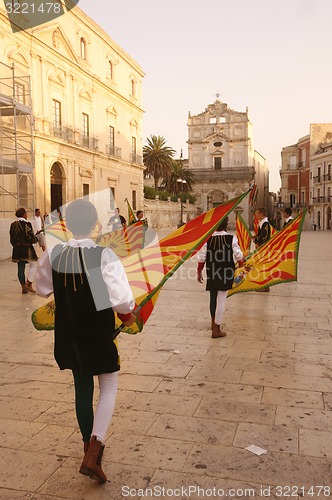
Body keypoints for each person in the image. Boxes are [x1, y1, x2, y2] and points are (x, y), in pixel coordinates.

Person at [36, 199, 136, 483]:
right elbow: (121, 300)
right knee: (109, 386)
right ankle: (94, 451)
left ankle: (85, 446)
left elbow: (42, 289)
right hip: (98, 330)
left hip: (70, 331)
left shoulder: (54, 254)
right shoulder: (104, 255)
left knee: (82, 386)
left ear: (66, 226)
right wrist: (129, 317)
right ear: (97, 226)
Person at [197, 217, 243, 338]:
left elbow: (202, 257)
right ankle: (216, 329)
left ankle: (213, 323)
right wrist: (242, 265)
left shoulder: (208, 239)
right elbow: (239, 255)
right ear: (226, 225)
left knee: (213, 297)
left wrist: (199, 271)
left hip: (212, 270)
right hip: (226, 271)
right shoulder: (231, 238)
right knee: (221, 299)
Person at [9, 207, 38, 294]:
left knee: (20, 268)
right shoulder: (27, 224)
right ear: (24, 214)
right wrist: (35, 238)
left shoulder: (13, 224)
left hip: (17, 249)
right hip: (27, 248)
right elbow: (30, 237)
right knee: (34, 265)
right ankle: (29, 284)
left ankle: (23, 286)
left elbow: (11, 238)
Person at [253, 207, 271, 292]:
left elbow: (264, 237)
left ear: (261, 214)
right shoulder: (262, 223)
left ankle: (265, 286)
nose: (256, 215)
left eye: (257, 214)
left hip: (264, 249)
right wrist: (255, 237)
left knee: (264, 267)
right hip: (261, 249)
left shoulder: (265, 224)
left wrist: (256, 239)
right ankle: (263, 284)